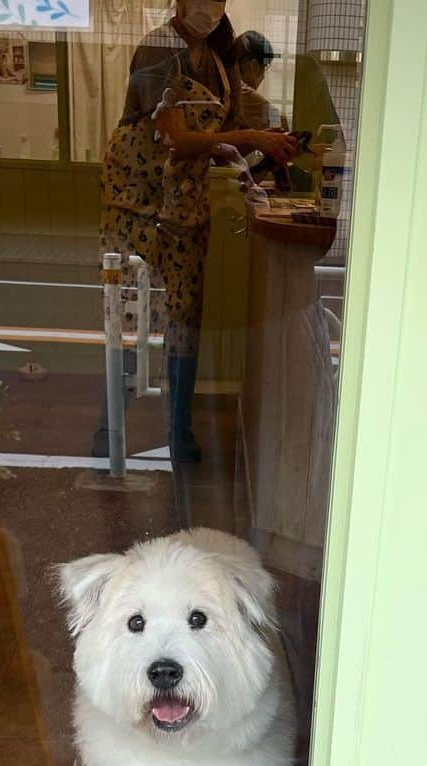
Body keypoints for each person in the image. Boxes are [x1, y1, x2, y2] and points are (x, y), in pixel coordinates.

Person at [93, 0, 296, 463]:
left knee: (185, 315)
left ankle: (178, 428)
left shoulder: (219, 65)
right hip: (135, 201)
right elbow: (178, 139)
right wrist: (252, 141)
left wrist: (270, 155)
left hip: (186, 203)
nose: (211, 6)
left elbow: (224, 136)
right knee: (126, 313)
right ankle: (109, 427)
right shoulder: (158, 48)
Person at [231, 30, 284, 131]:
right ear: (254, 66)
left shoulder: (221, 80)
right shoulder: (241, 92)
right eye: (264, 68)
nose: (263, 77)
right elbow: (278, 121)